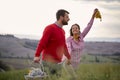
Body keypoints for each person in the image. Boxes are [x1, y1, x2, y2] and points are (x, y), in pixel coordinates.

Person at [33, 9, 71, 77]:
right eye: (67, 17)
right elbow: (42, 42)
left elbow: (63, 46)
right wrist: (37, 55)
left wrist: (68, 57)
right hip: (48, 63)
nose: (69, 19)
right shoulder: (50, 28)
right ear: (61, 17)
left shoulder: (62, 31)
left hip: (58, 64)